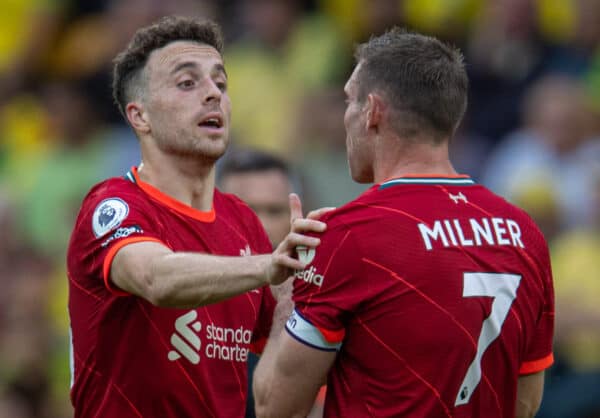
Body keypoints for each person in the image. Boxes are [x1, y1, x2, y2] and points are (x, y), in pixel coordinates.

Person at [253, 28, 555, 418]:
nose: (345, 116)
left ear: (373, 111)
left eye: (349, 100)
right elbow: (525, 402)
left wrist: (289, 294)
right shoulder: (524, 234)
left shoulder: (351, 235)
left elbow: (274, 406)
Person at [66, 16, 326, 418]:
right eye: (187, 83)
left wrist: (296, 300)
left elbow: (275, 392)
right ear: (140, 117)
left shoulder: (242, 222)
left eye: (220, 84)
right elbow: (157, 279)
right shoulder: (112, 205)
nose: (213, 95)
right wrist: (269, 266)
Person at [218, 148, 326, 418]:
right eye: (247, 210)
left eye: (275, 211)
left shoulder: (321, 303)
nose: (262, 225)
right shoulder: (185, 300)